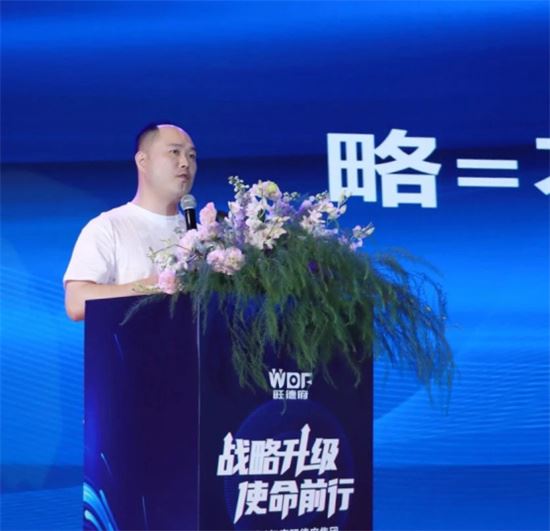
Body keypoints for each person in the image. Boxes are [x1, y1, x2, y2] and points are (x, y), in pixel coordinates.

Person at [64, 123, 197, 321]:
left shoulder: (201, 236)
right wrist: (154, 286)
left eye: (192, 156)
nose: (185, 162)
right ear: (143, 161)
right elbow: (76, 302)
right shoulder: (108, 227)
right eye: (174, 152)